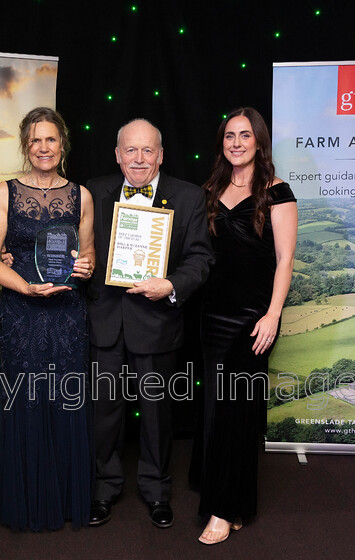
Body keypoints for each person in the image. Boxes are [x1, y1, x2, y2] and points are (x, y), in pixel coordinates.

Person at [86, 118, 215, 529]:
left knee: (157, 413)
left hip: (158, 322)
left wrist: (172, 284)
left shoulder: (190, 197)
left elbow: (201, 258)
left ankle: (157, 491)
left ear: (161, 155)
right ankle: (103, 489)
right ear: (117, 155)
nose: (138, 158)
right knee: (104, 411)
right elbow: (75, 247)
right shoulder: (91, 192)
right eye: (130, 150)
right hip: (104, 319)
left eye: (147, 151)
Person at [0, 107, 96, 531]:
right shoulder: (4, 192)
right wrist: (24, 287)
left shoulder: (81, 195)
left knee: (65, 397)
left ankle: (65, 499)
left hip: (67, 312)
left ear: (62, 143)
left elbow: (89, 253)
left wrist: (85, 267)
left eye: (51, 139)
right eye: (35, 139)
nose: (43, 147)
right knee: (26, 398)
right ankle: (26, 502)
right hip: (21, 312)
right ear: (25, 145)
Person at [191, 107, 297, 545]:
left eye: (245, 135)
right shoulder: (209, 189)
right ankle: (232, 500)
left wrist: (272, 315)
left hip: (252, 319)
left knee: (236, 409)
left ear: (259, 142)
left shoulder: (277, 192)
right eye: (229, 135)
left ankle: (222, 509)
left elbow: (285, 260)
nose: (236, 142)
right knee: (217, 407)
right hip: (209, 314)